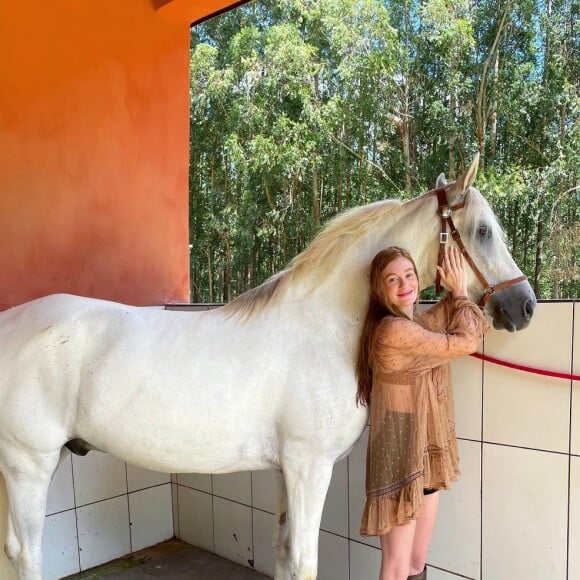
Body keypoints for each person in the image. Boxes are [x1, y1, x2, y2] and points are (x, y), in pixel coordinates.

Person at [356, 245, 489, 580]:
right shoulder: (392, 331)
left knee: (416, 563)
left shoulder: (416, 322)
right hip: (399, 457)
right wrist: (459, 292)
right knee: (397, 566)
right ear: (379, 289)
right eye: (393, 279)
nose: (405, 284)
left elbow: (443, 315)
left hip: (424, 454)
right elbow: (463, 342)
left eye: (410, 274)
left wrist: (455, 285)